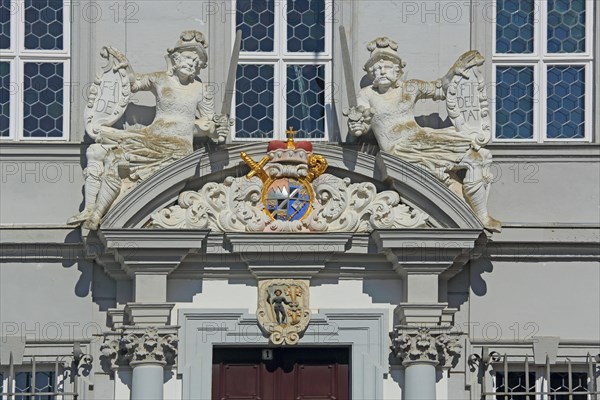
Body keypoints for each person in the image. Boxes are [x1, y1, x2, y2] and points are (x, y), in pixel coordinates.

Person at [68, 31, 231, 230]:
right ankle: (94, 212)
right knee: (107, 156)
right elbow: (133, 84)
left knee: (117, 160)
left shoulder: (201, 89)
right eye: (189, 58)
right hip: (151, 136)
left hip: (178, 146)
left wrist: (218, 129)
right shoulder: (159, 79)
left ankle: (98, 212)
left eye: (197, 61)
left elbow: (208, 123)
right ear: (176, 58)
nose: (192, 63)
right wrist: (124, 66)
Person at [347, 37, 501, 232]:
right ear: (371, 73)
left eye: (386, 67)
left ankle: (481, 216)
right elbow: (361, 124)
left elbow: (439, 89)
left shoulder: (410, 87)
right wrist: (357, 124)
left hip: (421, 138)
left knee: (477, 157)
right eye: (376, 69)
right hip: (398, 149)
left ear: (398, 70)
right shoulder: (367, 94)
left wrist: (455, 71)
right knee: (468, 161)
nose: (381, 71)